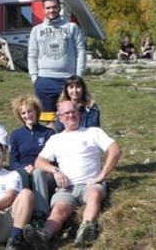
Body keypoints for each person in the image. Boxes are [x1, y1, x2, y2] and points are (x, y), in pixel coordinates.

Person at [25, 101, 122, 249]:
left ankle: (85, 230)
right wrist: (55, 171)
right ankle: (44, 236)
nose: (71, 115)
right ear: (60, 118)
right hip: (67, 188)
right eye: (66, 113)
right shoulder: (55, 139)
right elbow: (39, 161)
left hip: (90, 184)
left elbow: (114, 149)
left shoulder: (93, 132)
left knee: (94, 195)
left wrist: (102, 174)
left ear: (79, 113)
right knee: (59, 209)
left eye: (73, 112)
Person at [28, 0, 87, 125]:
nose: (51, 10)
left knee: (70, 118)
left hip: (67, 80)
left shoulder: (71, 27)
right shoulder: (36, 30)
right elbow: (32, 55)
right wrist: (35, 78)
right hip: (44, 80)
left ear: (59, 8)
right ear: (43, 10)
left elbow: (81, 51)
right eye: (48, 8)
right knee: (49, 122)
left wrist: (79, 76)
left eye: (54, 7)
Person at [8, 96, 54, 192]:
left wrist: (39, 167)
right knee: (20, 176)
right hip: (25, 170)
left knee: (41, 175)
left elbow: (53, 158)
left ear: (36, 111)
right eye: (23, 113)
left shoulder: (48, 133)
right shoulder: (16, 135)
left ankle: (41, 206)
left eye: (30, 111)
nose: (27, 115)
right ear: (20, 115)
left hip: (43, 170)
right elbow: (13, 162)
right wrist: (24, 168)